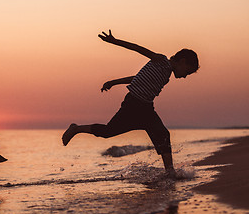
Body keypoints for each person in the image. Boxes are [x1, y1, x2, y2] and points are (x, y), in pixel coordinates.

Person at [62, 30, 199, 177]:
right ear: (183, 61)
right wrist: (115, 41)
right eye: (187, 71)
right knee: (108, 131)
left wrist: (114, 82)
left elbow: (137, 77)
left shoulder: (166, 75)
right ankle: (76, 129)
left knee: (163, 134)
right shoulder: (161, 61)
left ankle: (169, 172)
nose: (185, 76)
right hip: (133, 105)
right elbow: (137, 48)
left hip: (146, 108)